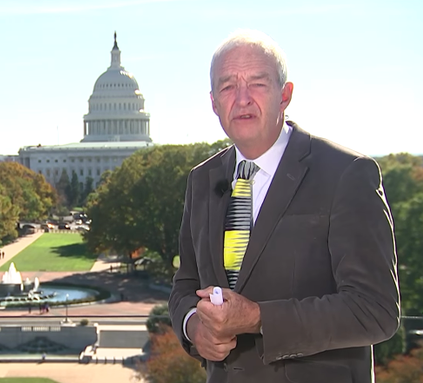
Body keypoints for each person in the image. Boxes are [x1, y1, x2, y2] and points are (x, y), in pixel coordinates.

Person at [168, 30, 400, 382]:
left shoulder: (346, 174)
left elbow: (376, 310)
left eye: (257, 84)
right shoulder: (202, 179)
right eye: (228, 86)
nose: (242, 99)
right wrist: (194, 326)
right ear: (214, 102)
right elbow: (185, 284)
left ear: (285, 95)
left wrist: (260, 318)